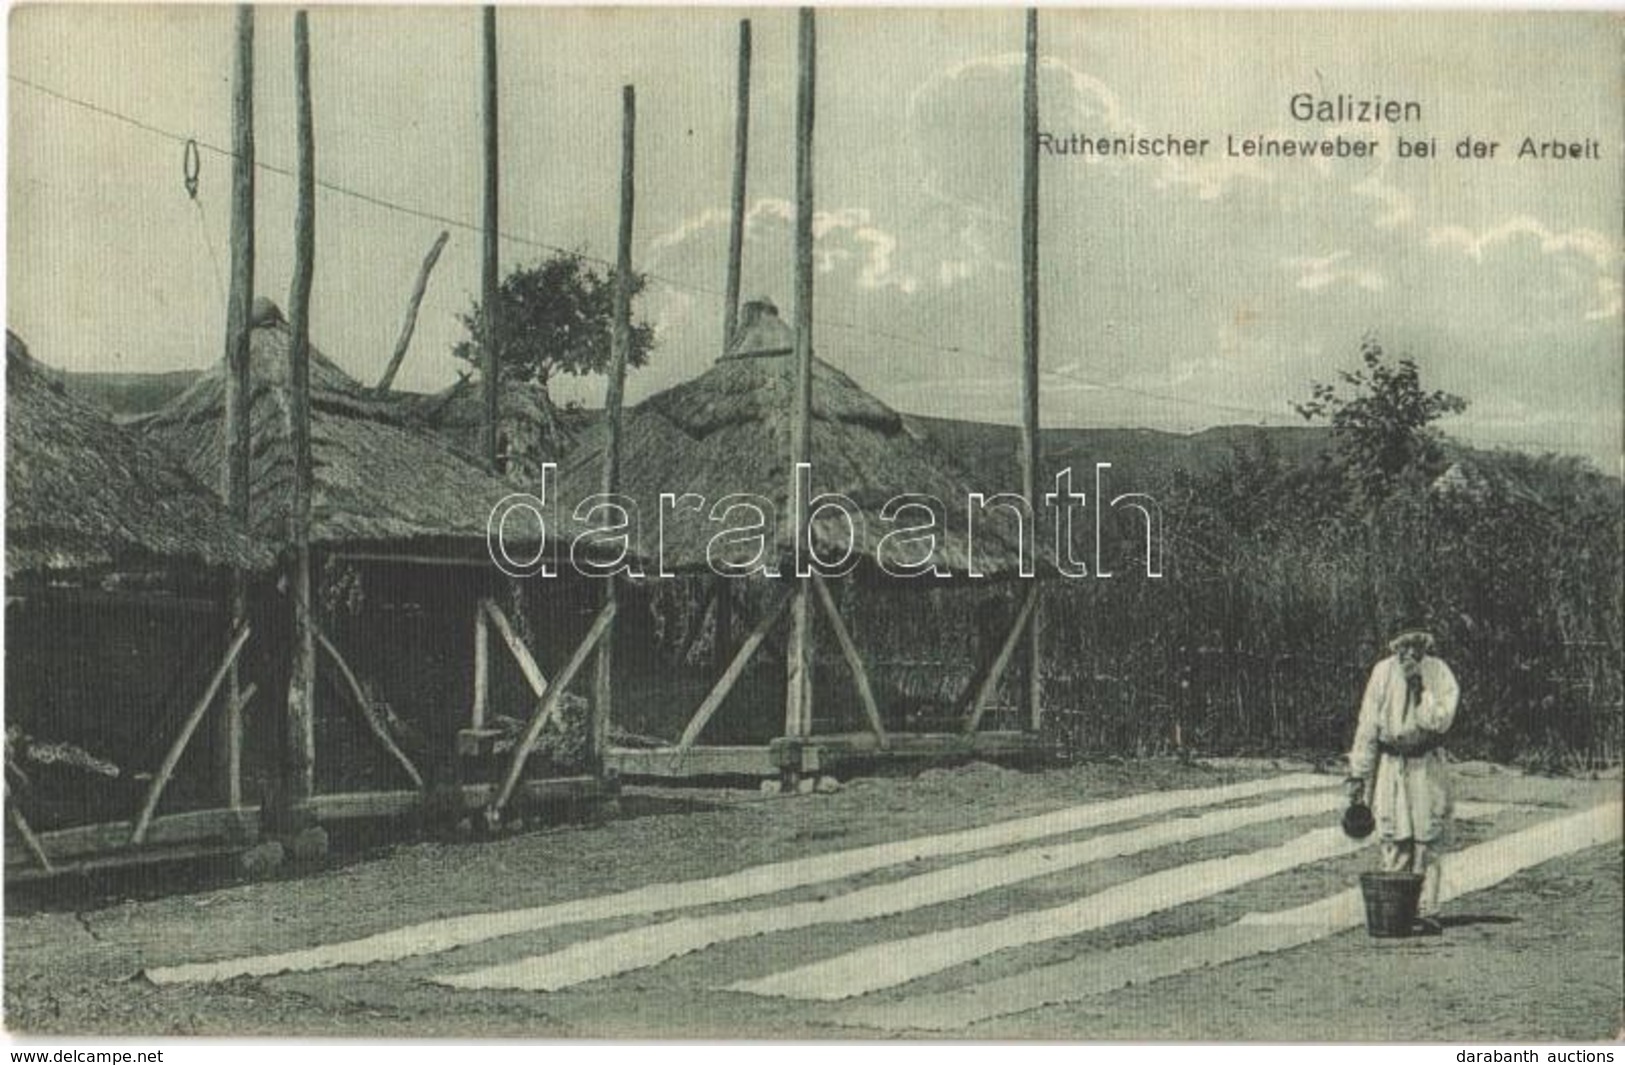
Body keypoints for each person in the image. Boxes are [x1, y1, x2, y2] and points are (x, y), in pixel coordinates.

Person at [1345, 627, 1459, 933]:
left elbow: (1440, 721)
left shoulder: (1439, 672)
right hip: (1392, 764)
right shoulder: (1382, 672)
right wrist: (1358, 774)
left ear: (1426, 645)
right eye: (1404, 645)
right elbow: (1368, 725)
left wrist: (1419, 686)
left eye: (1417, 644)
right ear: (1396, 647)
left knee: (1428, 837)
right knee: (1395, 835)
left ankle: (1427, 909)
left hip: (1427, 766)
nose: (1410, 652)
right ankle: (1395, 907)